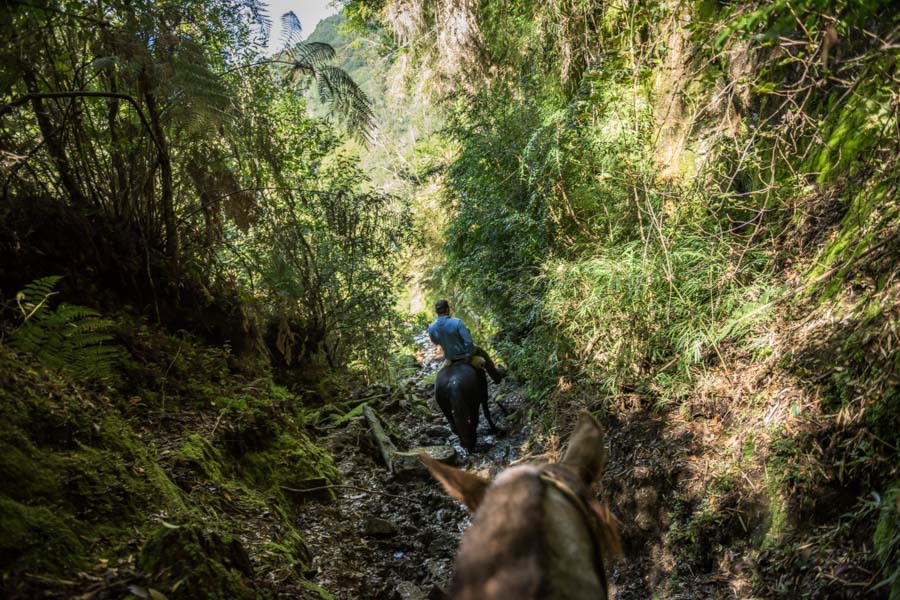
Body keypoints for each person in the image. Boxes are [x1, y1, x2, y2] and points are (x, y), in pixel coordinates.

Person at [427, 299, 506, 384]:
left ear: (436, 312)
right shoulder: (457, 322)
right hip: (465, 356)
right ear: (447, 309)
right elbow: (468, 341)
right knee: (483, 354)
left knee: (440, 376)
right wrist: (468, 355)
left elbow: (436, 342)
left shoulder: (431, 328)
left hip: (450, 358)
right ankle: (496, 377)